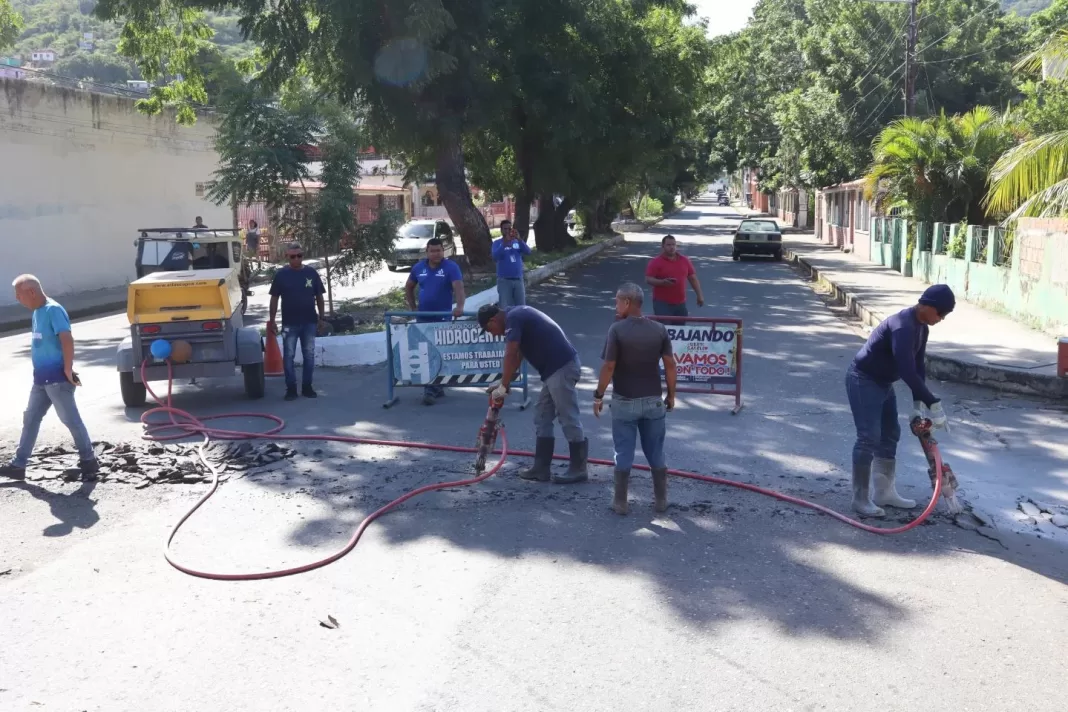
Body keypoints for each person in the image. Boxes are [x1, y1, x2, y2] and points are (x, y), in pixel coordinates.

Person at [846, 284, 955, 517]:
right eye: (941, 313)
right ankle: (860, 499)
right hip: (864, 380)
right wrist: (933, 402)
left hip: (883, 383)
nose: (942, 318)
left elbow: (918, 367)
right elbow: (906, 370)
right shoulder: (903, 327)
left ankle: (884, 493)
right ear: (926, 306)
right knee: (868, 438)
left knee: (890, 434)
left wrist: (918, 406)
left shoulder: (922, 327)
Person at [1, 275, 99, 480]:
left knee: (70, 420)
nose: (18, 299)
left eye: (19, 295)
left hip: (56, 378)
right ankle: (18, 465)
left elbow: (66, 339)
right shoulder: (37, 312)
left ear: (32, 292)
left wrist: (67, 369)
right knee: (31, 419)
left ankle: (89, 461)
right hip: (41, 379)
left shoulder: (53, 310)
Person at [477, 303, 588, 484]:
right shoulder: (516, 315)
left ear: (493, 320)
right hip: (555, 370)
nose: (493, 334)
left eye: (489, 330)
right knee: (542, 415)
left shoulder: (514, 318)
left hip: (562, 368)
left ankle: (579, 468)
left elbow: (511, 353)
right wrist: (504, 382)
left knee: (568, 416)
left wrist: (504, 387)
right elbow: (519, 354)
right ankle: (541, 468)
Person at [592, 283, 677, 515]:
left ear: (628, 302)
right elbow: (670, 365)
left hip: (624, 401)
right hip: (653, 402)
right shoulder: (659, 329)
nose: (615, 305)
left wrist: (598, 395)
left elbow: (609, 366)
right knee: (656, 452)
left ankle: (620, 502)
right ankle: (660, 501)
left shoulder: (617, 330)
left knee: (623, 451)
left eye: (617, 300)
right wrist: (671, 395)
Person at [405, 237, 466, 405]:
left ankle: (432, 388)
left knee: (438, 353)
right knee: (427, 353)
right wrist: (413, 308)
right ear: (427, 252)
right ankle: (435, 387)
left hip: (442, 318)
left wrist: (460, 306)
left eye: (439, 250)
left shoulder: (451, 267)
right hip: (423, 318)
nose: (436, 253)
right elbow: (409, 286)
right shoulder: (419, 268)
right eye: (433, 251)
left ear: (443, 251)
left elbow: (458, 287)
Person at [268, 242, 326, 401]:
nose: (296, 259)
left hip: (309, 322)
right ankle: (291, 389)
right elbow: (274, 298)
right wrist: (272, 320)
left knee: (309, 355)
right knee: (288, 356)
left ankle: (307, 387)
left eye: (299, 256)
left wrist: (322, 317)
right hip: (289, 323)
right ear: (287, 257)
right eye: (293, 256)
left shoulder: (311, 273)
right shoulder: (281, 275)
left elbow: (319, 296)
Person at [644, 235, 705, 317]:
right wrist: (662, 282)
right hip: (662, 304)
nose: (672, 247)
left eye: (673, 244)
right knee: (665, 328)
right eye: (668, 245)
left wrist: (699, 295)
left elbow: (692, 278)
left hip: (680, 303)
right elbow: (648, 279)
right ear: (663, 246)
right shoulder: (655, 262)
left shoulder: (684, 260)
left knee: (680, 328)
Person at [492, 220, 531, 307]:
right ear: (501, 230)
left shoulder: (517, 242)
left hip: (518, 280)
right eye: (505, 229)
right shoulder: (497, 243)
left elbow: (528, 252)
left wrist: (520, 239)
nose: (507, 231)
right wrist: (505, 244)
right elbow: (495, 257)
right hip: (504, 281)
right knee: (505, 307)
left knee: (521, 307)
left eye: (509, 229)